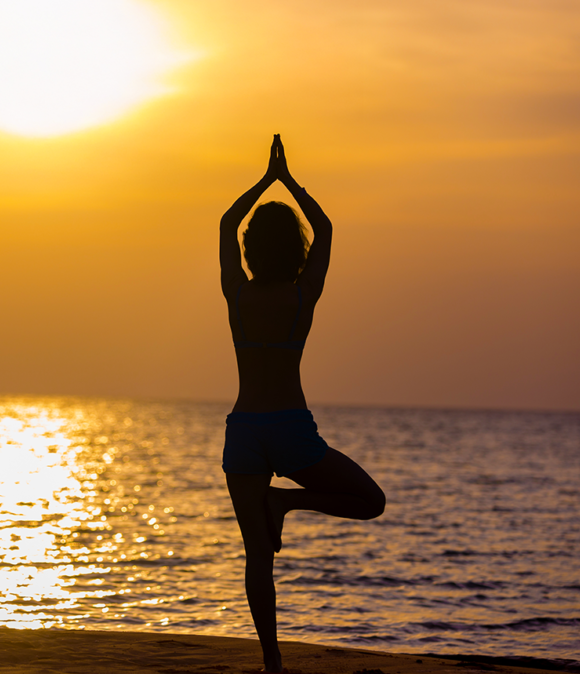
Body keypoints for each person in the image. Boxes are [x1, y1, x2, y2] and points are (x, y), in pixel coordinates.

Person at [220, 135, 386, 673]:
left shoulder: (238, 296)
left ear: (250, 250)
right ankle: (286, 503)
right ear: (295, 251)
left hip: (245, 428)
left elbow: (225, 225)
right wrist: (288, 180)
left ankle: (272, 663)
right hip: (290, 427)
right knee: (370, 501)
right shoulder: (300, 297)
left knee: (256, 558)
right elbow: (328, 229)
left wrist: (262, 182)